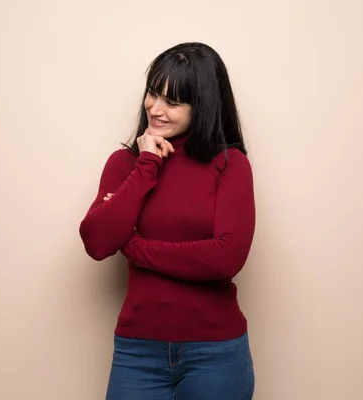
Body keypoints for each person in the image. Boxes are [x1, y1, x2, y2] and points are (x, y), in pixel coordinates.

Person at [79, 42, 256, 400]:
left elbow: (226, 258)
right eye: (153, 94)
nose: (155, 109)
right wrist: (146, 165)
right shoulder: (125, 164)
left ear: (202, 105)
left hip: (216, 353)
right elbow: (98, 242)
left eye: (172, 102)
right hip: (137, 353)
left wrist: (132, 244)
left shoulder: (230, 164)